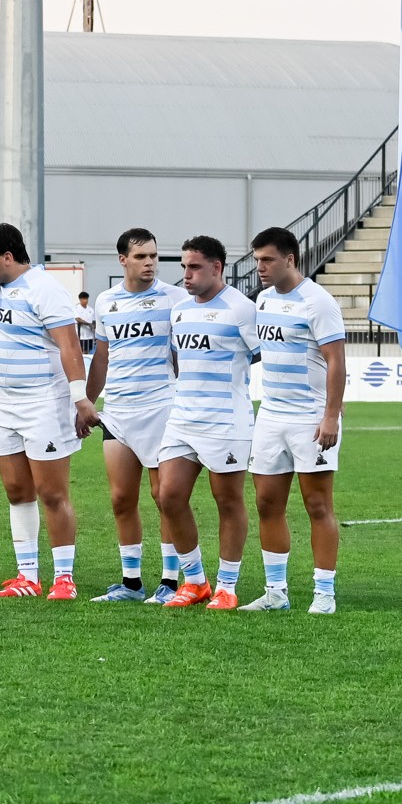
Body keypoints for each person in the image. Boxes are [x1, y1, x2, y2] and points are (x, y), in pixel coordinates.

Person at [0, 222, 99, 600]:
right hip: (6, 403)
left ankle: (64, 579)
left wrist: (80, 398)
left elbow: (70, 347)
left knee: (52, 493)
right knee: (16, 491)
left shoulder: (45, 290)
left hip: (44, 403)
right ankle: (27, 576)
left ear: (8, 258)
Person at [85, 228, 191, 603]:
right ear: (123, 260)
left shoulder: (175, 299)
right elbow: (102, 357)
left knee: (164, 497)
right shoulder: (106, 301)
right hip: (117, 413)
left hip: (161, 409)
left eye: (154, 257)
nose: (150, 263)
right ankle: (131, 583)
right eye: (142, 256)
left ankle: (170, 581)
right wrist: (85, 402)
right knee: (120, 499)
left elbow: (183, 357)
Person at [245, 227, 348, 614]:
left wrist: (331, 416)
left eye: (267, 259)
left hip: (309, 418)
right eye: (257, 260)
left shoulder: (317, 302)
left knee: (317, 505)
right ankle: (276, 591)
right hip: (270, 415)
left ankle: (324, 593)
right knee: (267, 503)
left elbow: (337, 361)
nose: (260, 267)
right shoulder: (264, 300)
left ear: (290, 259)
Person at [155, 236, 261, 609]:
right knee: (168, 496)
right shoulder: (179, 310)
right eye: (184, 266)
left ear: (217, 268)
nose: (186, 274)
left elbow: (262, 353)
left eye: (195, 266)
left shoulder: (242, 309)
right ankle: (196, 581)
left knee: (227, 500)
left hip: (226, 422)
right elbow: (179, 359)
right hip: (182, 418)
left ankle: (227, 586)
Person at [75, 291, 96, 356]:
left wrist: (94, 326)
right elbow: (78, 319)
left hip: (90, 335)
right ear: (80, 299)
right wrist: (88, 324)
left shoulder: (90, 309)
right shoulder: (76, 308)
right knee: (82, 352)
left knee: (88, 352)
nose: (86, 300)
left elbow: (94, 320)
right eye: (84, 299)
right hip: (81, 335)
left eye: (87, 299)